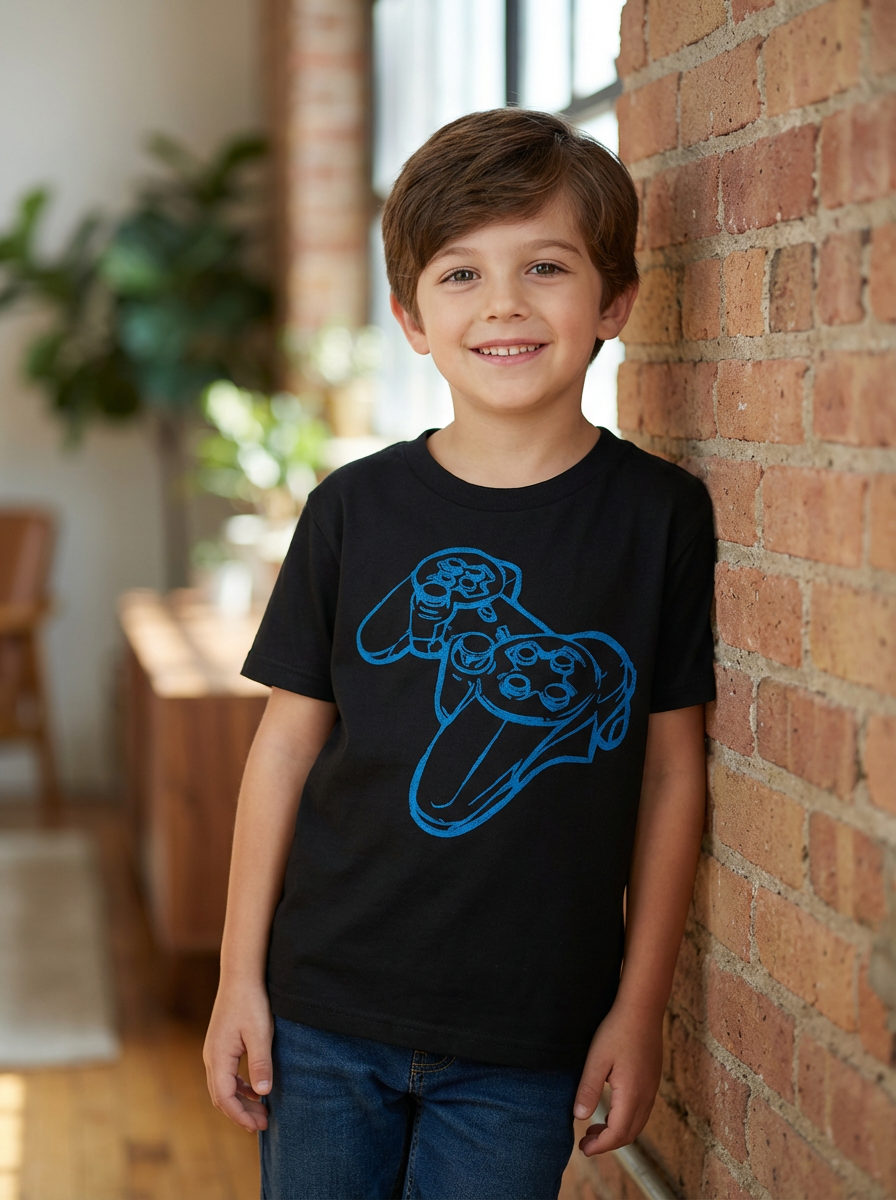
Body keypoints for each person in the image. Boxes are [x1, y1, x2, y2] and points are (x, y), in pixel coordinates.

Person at [204, 107, 715, 1200]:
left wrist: (640, 1003)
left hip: (528, 1033)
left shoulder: (658, 518)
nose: (503, 306)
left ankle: (546, 685)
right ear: (409, 318)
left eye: (544, 267)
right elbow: (285, 752)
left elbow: (671, 772)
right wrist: (235, 978)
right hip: (324, 1010)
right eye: (458, 276)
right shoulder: (351, 510)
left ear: (613, 303)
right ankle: (478, 643)